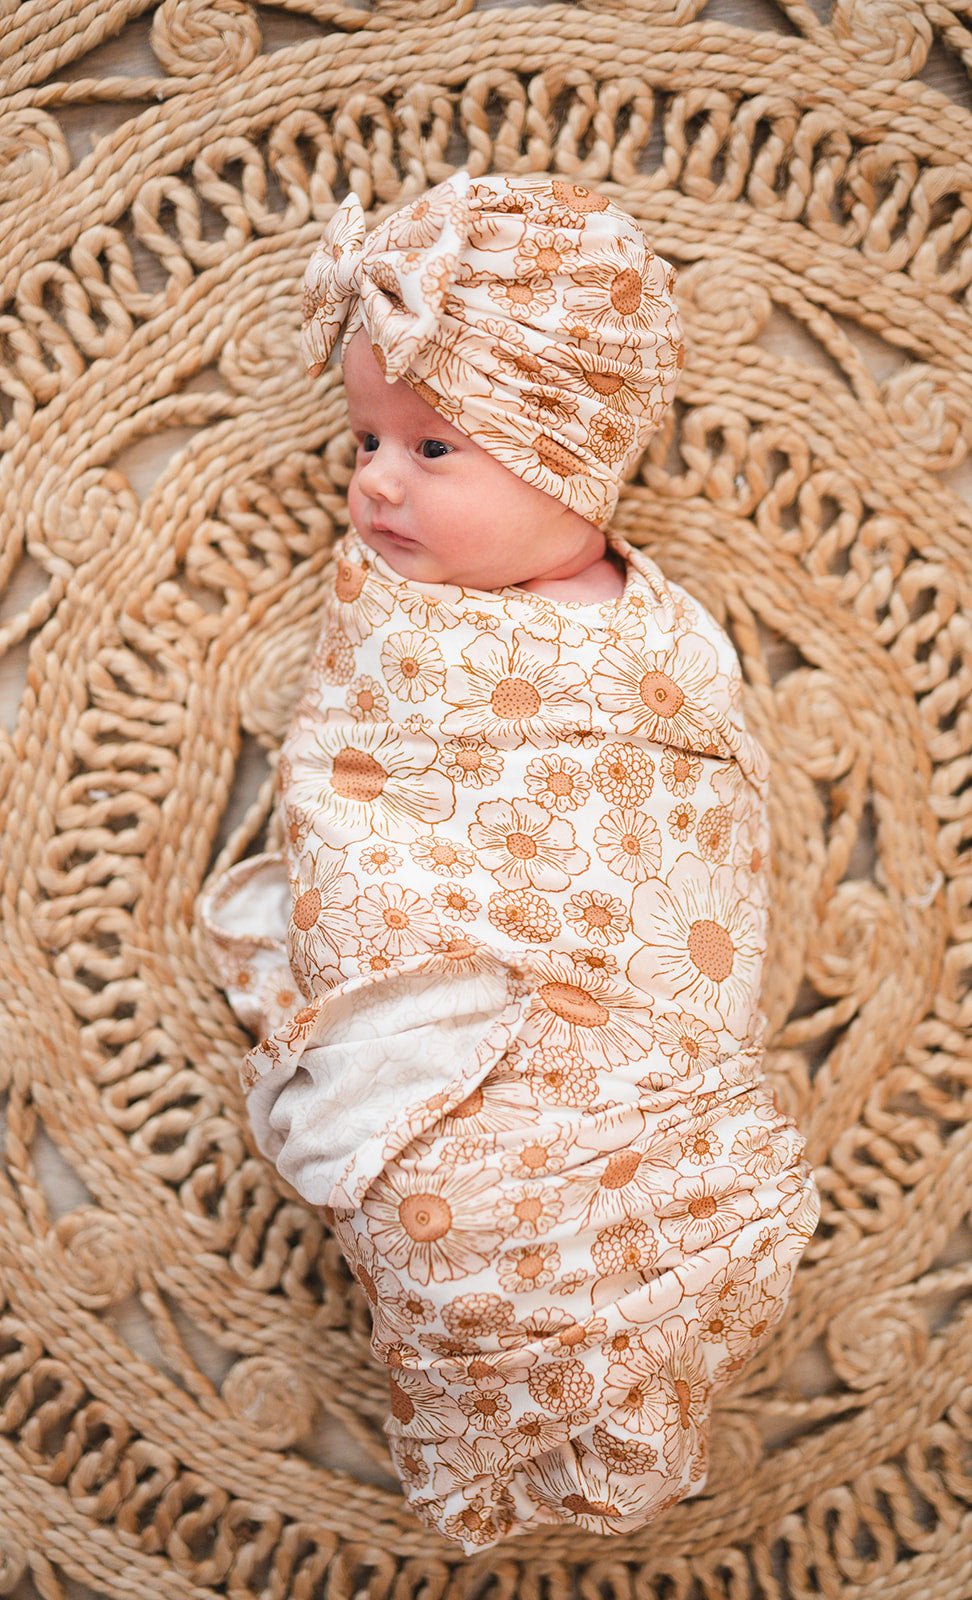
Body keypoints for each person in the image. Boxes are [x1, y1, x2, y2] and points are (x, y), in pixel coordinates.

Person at [197, 169, 819, 1552]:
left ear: (572, 451)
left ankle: (627, 1316)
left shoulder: (663, 641)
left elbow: (702, 834)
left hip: (628, 1033)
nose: (371, 484)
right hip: (442, 1000)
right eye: (365, 440)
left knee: (681, 1196)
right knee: (445, 1221)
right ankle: (501, 1329)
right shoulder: (399, 621)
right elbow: (356, 792)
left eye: (430, 451)